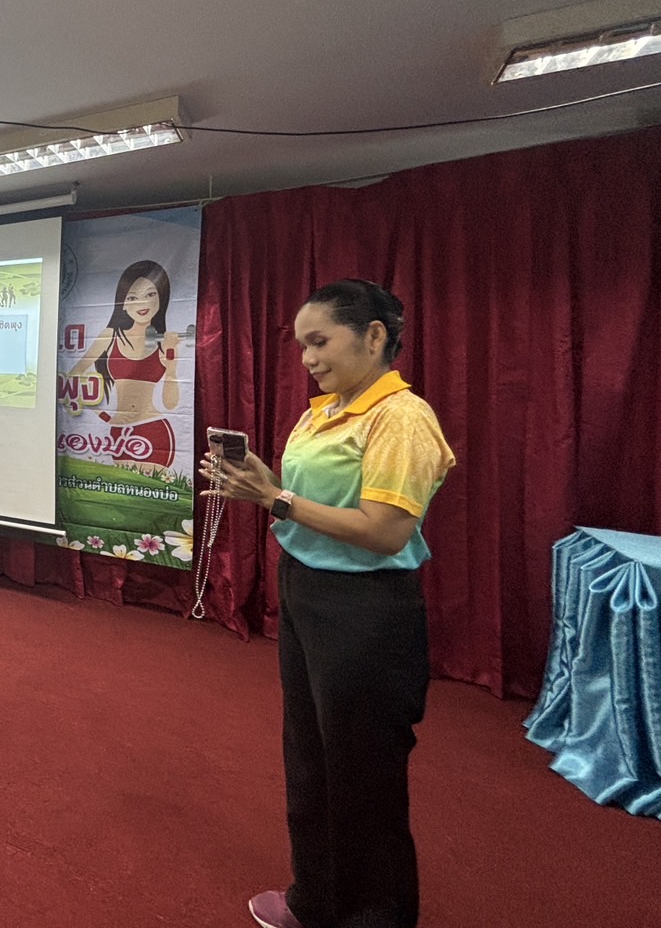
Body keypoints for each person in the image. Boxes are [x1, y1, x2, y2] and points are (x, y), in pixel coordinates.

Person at [198, 279, 455, 928]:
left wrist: (276, 500)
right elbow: (306, 503)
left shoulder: (401, 418)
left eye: (319, 341)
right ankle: (313, 900)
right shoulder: (322, 411)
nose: (307, 358)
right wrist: (261, 483)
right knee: (310, 760)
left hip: (366, 612)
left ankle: (373, 916)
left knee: (363, 778)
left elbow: (384, 530)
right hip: (306, 592)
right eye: (300, 346)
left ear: (373, 336)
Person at [70, 260, 181, 474]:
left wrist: (172, 366)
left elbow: (171, 403)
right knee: (120, 488)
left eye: (150, 294)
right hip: (119, 431)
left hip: (153, 427)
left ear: (161, 298)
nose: (142, 303)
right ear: (123, 302)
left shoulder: (165, 341)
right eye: (132, 297)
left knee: (151, 489)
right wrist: (104, 416)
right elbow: (74, 377)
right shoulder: (110, 336)